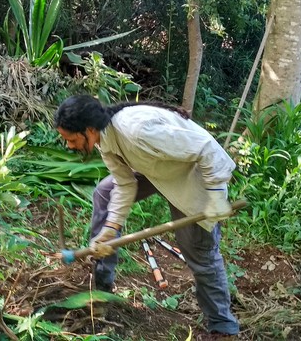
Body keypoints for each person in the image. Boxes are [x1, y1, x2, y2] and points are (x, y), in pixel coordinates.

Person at [53, 95, 240, 336]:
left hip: (194, 178)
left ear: (88, 129)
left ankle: (222, 324)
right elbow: (124, 184)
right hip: (156, 169)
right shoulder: (105, 138)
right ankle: (101, 288)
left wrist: (215, 195)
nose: (69, 145)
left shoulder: (137, 131)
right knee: (105, 192)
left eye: (71, 139)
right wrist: (110, 230)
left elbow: (206, 147)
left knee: (199, 254)